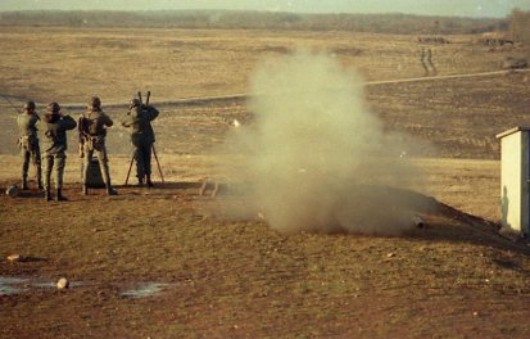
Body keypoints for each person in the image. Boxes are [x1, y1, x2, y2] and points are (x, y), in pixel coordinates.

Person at [78, 96, 117, 195]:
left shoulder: (84, 115)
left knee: (86, 164)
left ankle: (84, 189)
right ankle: (108, 188)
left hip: (87, 141)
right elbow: (110, 123)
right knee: (104, 165)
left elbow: (80, 130)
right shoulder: (101, 115)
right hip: (99, 141)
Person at [41, 102, 77, 202]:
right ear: (57, 113)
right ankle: (58, 194)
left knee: (46, 172)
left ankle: (47, 194)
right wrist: (64, 115)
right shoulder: (61, 123)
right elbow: (73, 123)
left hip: (46, 151)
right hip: (59, 151)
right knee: (58, 173)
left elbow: (35, 125)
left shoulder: (42, 123)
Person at [122, 97, 159, 187]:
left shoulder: (131, 116)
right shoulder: (146, 114)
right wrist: (146, 107)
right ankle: (148, 179)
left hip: (136, 141)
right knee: (147, 159)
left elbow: (123, 122)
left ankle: (140, 180)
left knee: (139, 161)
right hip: (147, 140)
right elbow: (156, 112)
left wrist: (128, 112)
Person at [17, 100, 42, 190]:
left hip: (23, 141)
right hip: (32, 142)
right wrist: (36, 115)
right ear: (32, 109)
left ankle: (24, 183)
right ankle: (39, 183)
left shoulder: (19, 117)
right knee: (37, 163)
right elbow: (41, 126)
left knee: (25, 162)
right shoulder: (33, 118)